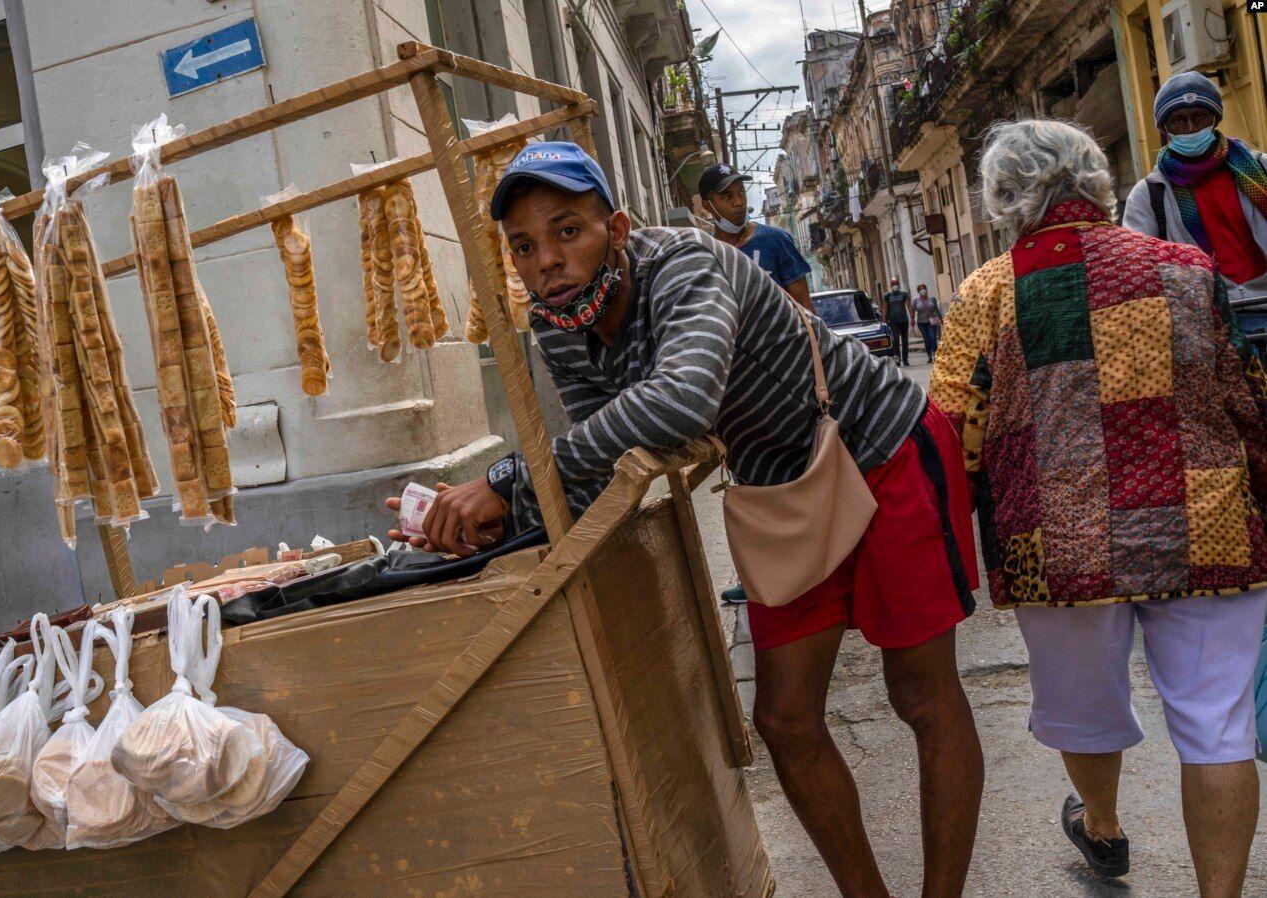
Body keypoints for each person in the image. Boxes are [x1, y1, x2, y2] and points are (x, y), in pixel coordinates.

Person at [390, 141, 984, 897]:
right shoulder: (559, 325)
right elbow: (600, 459)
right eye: (524, 246)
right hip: (781, 490)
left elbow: (678, 403)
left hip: (883, 449)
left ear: (619, 226)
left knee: (922, 695)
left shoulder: (688, 266)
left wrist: (505, 479)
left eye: (567, 229)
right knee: (785, 721)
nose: (546, 259)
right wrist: (477, 527)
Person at [933, 119, 1267, 896]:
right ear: (1094, 180)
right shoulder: (1186, 269)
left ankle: (1104, 827)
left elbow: (953, 429)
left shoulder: (988, 291)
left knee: (1081, 709)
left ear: (1005, 198)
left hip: (1058, 542)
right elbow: (1247, 401)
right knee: (1215, 725)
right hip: (1205, 524)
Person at [1123, 72, 1267, 301]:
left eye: (1199, 116)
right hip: (1204, 317)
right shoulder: (1148, 194)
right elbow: (1139, 269)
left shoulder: (1261, 169)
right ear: (1165, 129)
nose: (1191, 128)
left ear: (1215, 119)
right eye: (1179, 120)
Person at [699, 162, 815, 311]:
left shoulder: (776, 240)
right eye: (727, 196)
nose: (738, 202)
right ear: (707, 206)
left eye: (741, 192)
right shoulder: (705, 254)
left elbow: (805, 308)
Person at [881, 277, 912, 366]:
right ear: (891, 286)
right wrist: (884, 320)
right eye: (893, 284)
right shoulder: (887, 296)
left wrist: (912, 317)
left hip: (904, 320)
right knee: (896, 340)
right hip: (893, 321)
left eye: (896, 284)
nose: (895, 286)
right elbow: (885, 308)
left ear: (899, 284)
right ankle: (897, 360)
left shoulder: (904, 294)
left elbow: (908, 306)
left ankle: (905, 360)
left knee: (905, 340)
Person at [911, 283, 941, 362]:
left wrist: (941, 318)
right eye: (920, 289)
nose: (922, 290)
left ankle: (935, 354)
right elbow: (912, 310)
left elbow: (936, 309)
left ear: (926, 289)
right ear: (918, 291)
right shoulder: (916, 301)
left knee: (932, 337)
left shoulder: (932, 299)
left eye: (924, 288)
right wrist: (912, 319)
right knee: (926, 339)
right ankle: (929, 356)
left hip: (932, 321)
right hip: (922, 323)